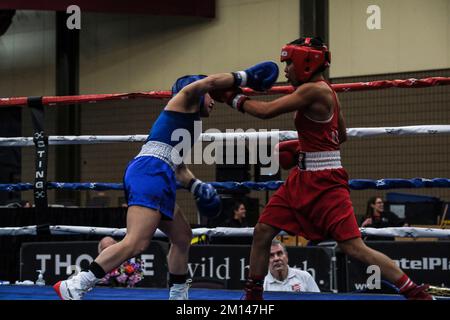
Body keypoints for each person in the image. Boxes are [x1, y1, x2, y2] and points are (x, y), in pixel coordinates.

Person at [210, 37, 433, 300]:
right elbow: (340, 135)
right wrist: (302, 147)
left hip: (326, 182)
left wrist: (233, 98)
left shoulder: (314, 90)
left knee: (353, 247)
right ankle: (253, 296)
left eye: (289, 63)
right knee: (263, 231)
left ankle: (413, 291)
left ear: (306, 62)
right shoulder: (327, 92)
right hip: (302, 178)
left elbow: (266, 111)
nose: (285, 70)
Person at [53, 61, 279, 300]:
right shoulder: (183, 100)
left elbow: (178, 167)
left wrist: (195, 185)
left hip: (161, 174)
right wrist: (244, 77)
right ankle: (76, 284)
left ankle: (178, 294)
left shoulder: (192, 124)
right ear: (198, 92)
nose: (214, 100)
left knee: (182, 236)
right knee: (136, 243)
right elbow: (210, 82)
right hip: (150, 172)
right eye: (210, 96)